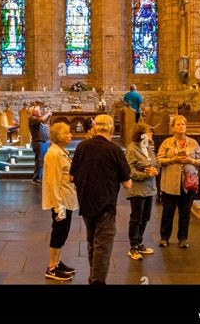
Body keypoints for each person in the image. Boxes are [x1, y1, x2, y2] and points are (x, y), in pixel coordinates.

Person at [69, 114, 132, 284]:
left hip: (86, 201)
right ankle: (97, 281)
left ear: (94, 128)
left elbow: (71, 177)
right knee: (103, 245)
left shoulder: (82, 147)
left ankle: (93, 276)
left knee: (92, 241)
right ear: (111, 128)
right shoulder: (115, 150)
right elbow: (127, 184)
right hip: (106, 203)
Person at [156, 114, 200, 248]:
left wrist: (191, 161)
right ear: (173, 128)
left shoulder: (193, 143)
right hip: (171, 184)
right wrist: (173, 160)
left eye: (183, 124)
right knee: (168, 212)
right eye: (178, 124)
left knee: (185, 213)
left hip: (188, 184)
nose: (181, 126)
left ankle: (183, 238)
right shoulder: (167, 143)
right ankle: (164, 238)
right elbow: (159, 160)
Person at [42, 122, 78, 282]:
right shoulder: (53, 154)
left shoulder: (61, 151)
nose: (71, 135)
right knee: (58, 232)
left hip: (66, 198)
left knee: (63, 233)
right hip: (61, 201)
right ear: (59, 136)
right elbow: (52, 181)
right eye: (68, 133)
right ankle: (51, 267)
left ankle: (57, 261)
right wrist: (58, 206)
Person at [125, 122, 159, 260]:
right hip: (138, 190)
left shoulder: (148, 148)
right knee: (136, 218)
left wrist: (155, 169)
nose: (151, 134)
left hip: (150, 188)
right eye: (149, 131)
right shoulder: (132, 149)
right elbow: (129, 171)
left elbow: (154, 163)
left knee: (145, 217)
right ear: (142, 134)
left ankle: (139, 243)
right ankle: (133, 247)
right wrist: (145, 174)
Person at [29, 104, 51, 183]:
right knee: (39, 160)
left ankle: (40, 177)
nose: (40, 111)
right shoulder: (32, 119)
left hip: (43, 142)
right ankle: (36, 178)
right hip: (38, 142)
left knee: (43, 160)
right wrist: (47, 114)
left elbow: (44, 121)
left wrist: (48, 116)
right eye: (39, 110)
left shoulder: (38, 120)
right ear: (34, 112)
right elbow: (41, 119)